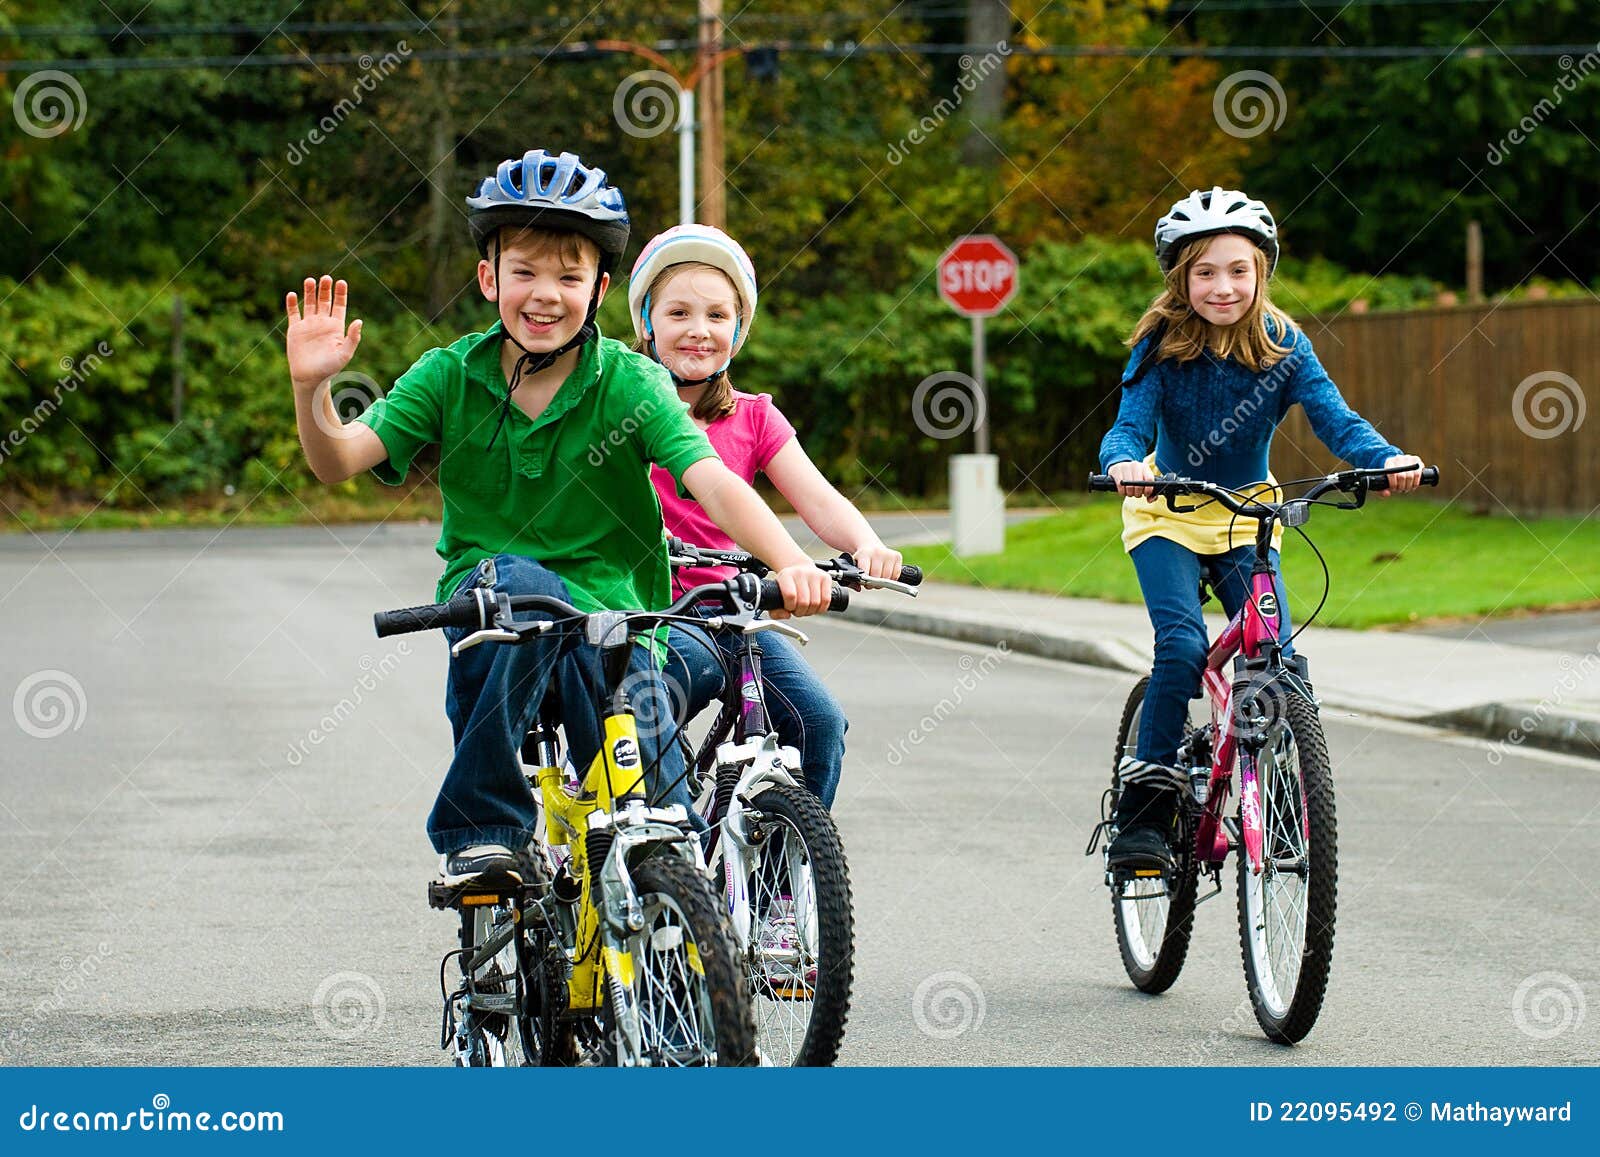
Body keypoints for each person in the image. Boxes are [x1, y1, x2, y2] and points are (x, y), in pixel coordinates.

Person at [282, 149, 832, 886]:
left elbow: (713, 482)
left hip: (619, 624)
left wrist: (788, 559)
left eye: (569, 277)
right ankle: (486, 829)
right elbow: (337, 460)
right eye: (525, 272)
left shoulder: (632, 381)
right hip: (504, 616)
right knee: (513, 578)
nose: (546, 295)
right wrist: (312, 393)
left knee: (665, 833)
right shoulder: (447, 377)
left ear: (600, 289)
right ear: (488, 279)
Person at [1098, 186, 1422, 869]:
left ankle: (1278, 803)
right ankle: (1145, 817)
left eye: (1238, 270)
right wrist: (1126, 461)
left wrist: (1384, 459)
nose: (1223, 286)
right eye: (1205, 271)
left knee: (1276, 657)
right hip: (1168, 514)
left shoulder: (1284, 345)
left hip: (1249, 516)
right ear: (1181, 277)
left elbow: (1334, 418)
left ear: (1261, 272)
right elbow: (1128, 425)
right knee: (1183, 647)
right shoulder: (1161, 344)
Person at [628, 223, 903, 809]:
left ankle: (782, 884)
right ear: (647, 323)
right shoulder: (624, 410)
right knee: (648, 715)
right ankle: (676, 867)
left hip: (736, 609)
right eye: (678, 313)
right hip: (652, 613)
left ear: (738, 330)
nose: (699, 331)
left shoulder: (755, 418)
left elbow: (822, 500)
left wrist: (867, 543)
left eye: (717, 316)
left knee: (818, 725)